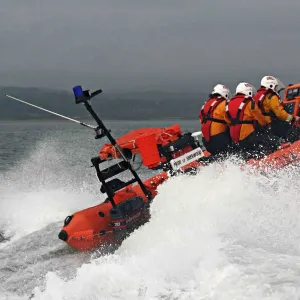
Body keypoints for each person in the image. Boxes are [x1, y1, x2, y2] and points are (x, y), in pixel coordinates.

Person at [224, 82, 278, 157]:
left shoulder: (228, 104)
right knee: (270, 142)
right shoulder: (250, 103)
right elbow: (260, 119)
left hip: (234, 137)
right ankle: (270, 157)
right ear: (248, 91)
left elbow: (227, 119)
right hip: (248, 136)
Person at [254, 75, 300, 142]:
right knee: (294, 131)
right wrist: (293, 118)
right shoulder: (272, 97)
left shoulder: (257, 95)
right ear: (271, 86)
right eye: (275, 87)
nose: (276, 89)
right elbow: (280, 114)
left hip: (262, 125)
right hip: (272, 124)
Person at [199, 84, 232, 156]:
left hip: (205, 140)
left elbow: (201, 120)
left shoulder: (205, 105)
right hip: (219, 138)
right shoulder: (224, 104)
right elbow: (230, 120)